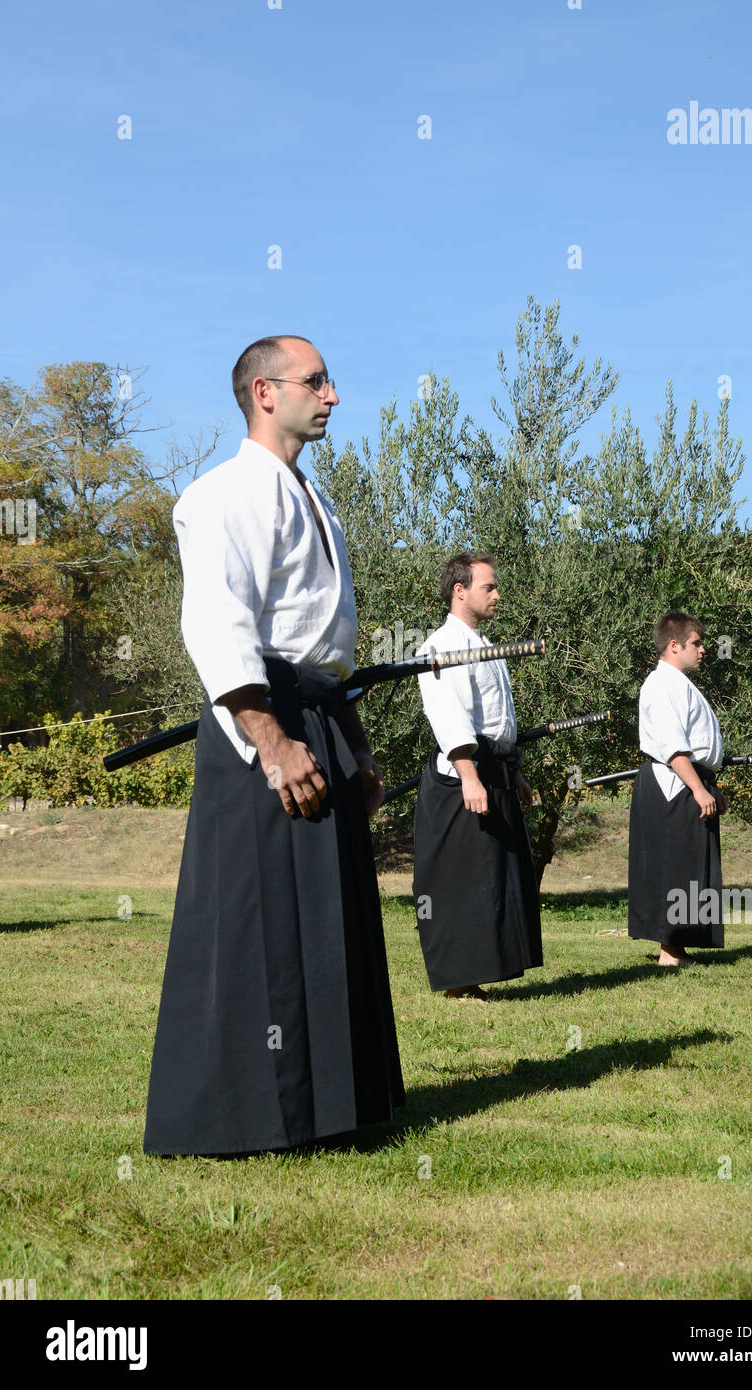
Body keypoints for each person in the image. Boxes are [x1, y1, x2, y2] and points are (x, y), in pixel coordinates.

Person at [143, 335, 404, 1156]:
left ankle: (333, 1109)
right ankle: (246, 1119)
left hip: (316, 714)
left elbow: (328, 649)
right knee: (260, 921)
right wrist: (271, 740)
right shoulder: (221, 495)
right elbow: (218, 625)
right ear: (263, 391)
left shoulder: (313, 500)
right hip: (263, 721)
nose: (331, 395)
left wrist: (353, 745)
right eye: (316, 381)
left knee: (324, 920)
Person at [412, 553, 542, 1000]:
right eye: (489, 586)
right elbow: (449, 716)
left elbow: (498, 718)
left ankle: (486, 969)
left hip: (494, 766)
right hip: (461, 772)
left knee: (492, 870)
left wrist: (515, 772)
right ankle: (460, 982)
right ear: (459, 591)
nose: (498, 594)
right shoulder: (438, 646)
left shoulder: (486, 646)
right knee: (462, 876)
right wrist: (469, 774)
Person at [628, 612, 728, 967]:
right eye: (696, 643)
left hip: (687, 781)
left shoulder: (678, 683)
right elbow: (673, 747)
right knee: (674, 865)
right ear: (674, 645)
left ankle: (678, 948)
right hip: (673, 785)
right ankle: (669, 952)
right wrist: (699, 789)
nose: (703, 650)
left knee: (689, 866)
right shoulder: (662, 684)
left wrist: (708, 787)